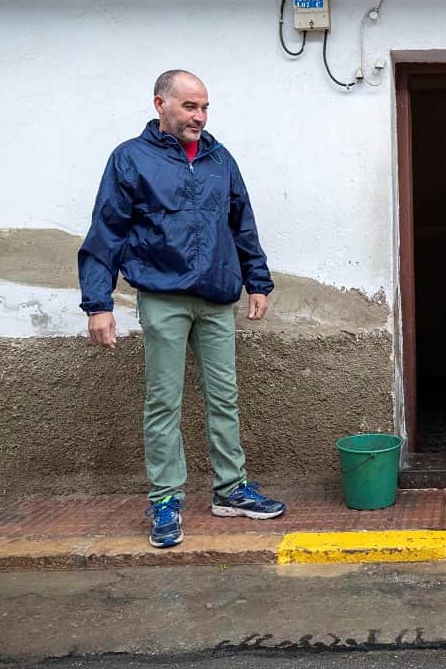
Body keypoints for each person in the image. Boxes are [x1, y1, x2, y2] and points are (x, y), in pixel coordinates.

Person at [78, 70, 285, 549]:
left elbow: (242, 224)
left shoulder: (219, 158)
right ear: (161, 104)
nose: (199, 116)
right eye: (190, 106)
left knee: (224, 398)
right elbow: (105, 231)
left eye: (205, 107)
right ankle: (166, 499)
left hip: (216, 297)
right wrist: (98, 304)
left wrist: (258, 282)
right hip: (163, 296)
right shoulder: (130, 159)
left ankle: (231, 490)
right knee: (163, 402)